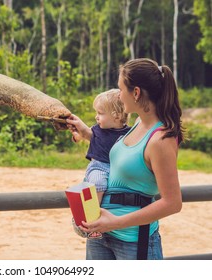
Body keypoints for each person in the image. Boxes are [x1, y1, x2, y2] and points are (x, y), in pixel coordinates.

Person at [72, 58, 184, 260]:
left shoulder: (161, 139)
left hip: (133, 240)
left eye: (121, 89)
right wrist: (87, 133)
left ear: (136, 93)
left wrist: (114, 222)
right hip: (102, 234)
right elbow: (123, 157)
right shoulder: (140, 123)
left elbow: (172, 202)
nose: (119, 95)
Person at [67, 89, 131, 239]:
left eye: (100, 113)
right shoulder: (98, 130)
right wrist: (77, 133)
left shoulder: (128, 134)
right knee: (97, 184)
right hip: (99, 167)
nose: (96, 117)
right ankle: (92, 221)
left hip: (116, 170)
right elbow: (86, 134)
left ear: (116, 115)